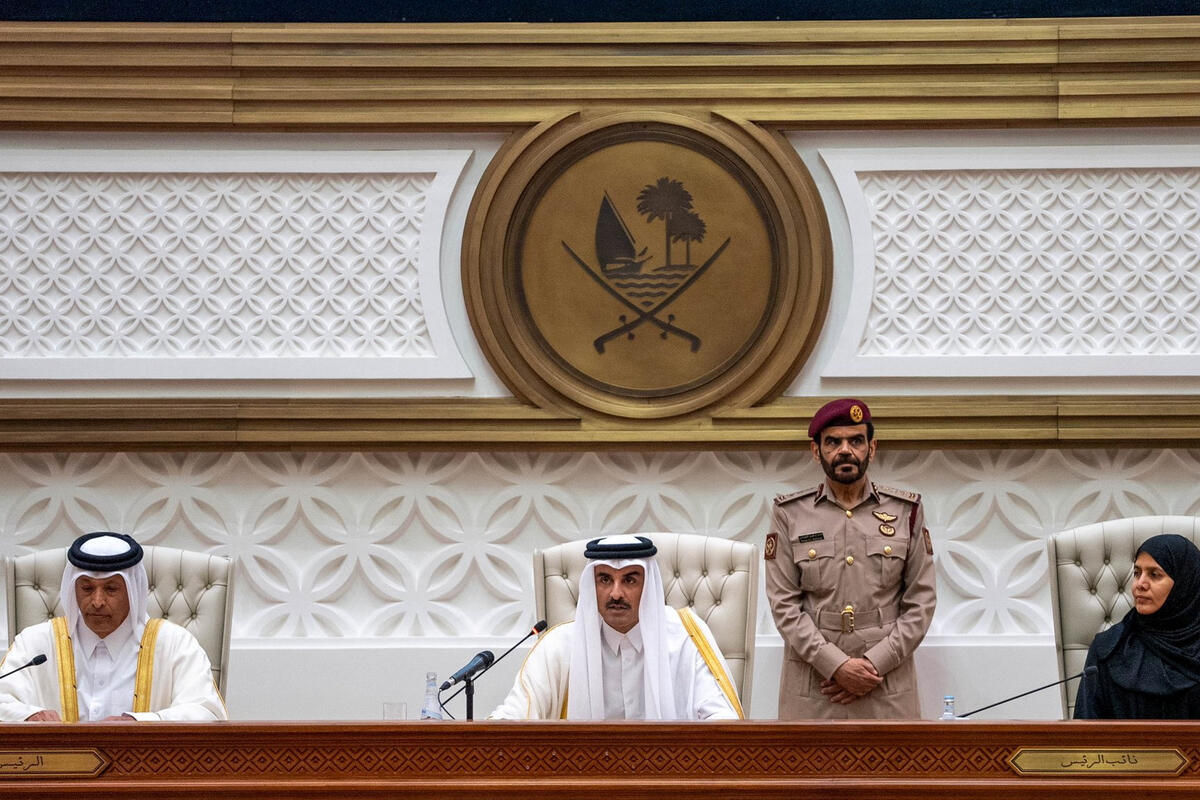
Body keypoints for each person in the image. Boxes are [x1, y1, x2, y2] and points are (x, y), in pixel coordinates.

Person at [765, 398, 936, 719]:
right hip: (814, 684)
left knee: (894, 756)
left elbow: (921, 603)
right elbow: (784, 606)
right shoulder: (789, 513)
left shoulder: (906, 510)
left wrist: (873, 664)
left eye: (856, 441)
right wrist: (836, 666)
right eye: (833, 442)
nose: (845, 450)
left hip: (886, 682)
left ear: (872, 448)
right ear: (816, 451)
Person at [490, 534, 742, 720]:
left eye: (630, 580)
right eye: (605, 579)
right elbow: (514, 714)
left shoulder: (685, 636)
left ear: (648, 585)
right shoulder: (561, 644)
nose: (616, 593)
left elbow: (720, 718)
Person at [0, 532, 228, 722]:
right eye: (87, 588)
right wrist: (27, 716)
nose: (97, 601)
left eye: (111, 589)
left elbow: (208, 713)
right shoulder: (36, 644)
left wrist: (139, 723)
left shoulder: (174, 644)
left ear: (133, 590)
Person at [1074, 533, 1200, 719]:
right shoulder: (1108, 648)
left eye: (1155, 575)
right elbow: (1086, 728)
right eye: (1137, 573)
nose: (1140, 584)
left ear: (1185, 582)